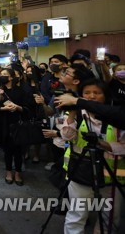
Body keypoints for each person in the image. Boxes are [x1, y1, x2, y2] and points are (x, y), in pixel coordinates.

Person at [60, 79, 125, 233]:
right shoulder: (78, 114)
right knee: (77, 214)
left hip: (111, 175)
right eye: (87, 93)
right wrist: (72, 114)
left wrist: (104, 145)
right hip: (81, 171)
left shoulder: (117, 117)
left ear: (106, 96)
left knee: (109, 216)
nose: (91, 96)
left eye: (97, 93)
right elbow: (66, 136)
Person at [0, 68, 33, 186]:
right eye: (1, 74)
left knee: (18, 151)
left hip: (18, 124)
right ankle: (9, 171)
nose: (2, 76)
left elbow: (27, 108)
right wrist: (3, 108)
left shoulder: (20, 91)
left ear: (11, 77)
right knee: (7, 151)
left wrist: (18, 108)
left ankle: (18, 172)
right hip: (4, 124)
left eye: (5, 75)